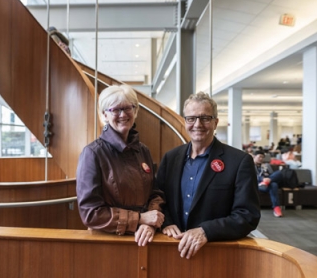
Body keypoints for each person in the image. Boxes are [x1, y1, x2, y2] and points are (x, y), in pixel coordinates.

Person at [156, 91, 260, 259]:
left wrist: (206, 231)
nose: (198, 124)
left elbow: (247, 215)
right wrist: (167, 223)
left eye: (205, 118)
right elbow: (159, 198)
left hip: (215, 252)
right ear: (185, 122)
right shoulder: (171, 158)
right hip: (171, 248)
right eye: (191, 118)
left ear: (215, 122)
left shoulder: (239, 161)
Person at [76, 84, 165, 247]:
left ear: (135, 111)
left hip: (144, 237)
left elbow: (155, 194)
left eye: (128, 108)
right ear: (105, 115)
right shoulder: (92, 153)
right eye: (116, 110)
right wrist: (139, 218)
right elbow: (90, 213)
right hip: (109, 241)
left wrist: (150, 221)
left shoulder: (143, 150)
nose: (123, 114)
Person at [253, 150, 283, 217]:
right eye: (260, 156)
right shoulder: (249, 165)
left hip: (267, 183)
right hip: (257, 184)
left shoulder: (266, 165)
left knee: (279, 174)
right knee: (274, 185)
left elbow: (272, 175)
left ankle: (276, 208)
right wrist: (262, 179)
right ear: (254, 156)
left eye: (263, 157)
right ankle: (276, 207)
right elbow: (251, 176)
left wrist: (268, 179)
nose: (261, 159)